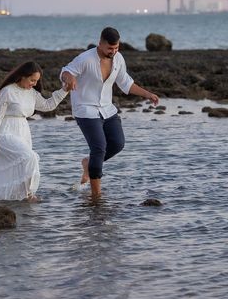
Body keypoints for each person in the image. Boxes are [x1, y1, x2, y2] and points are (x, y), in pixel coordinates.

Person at [61, 27, 159, 199]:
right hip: (86, 109)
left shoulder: (119, 59)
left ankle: (88, 164)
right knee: (99, 148)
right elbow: (66, 71)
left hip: (107, 109)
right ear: (100, 43)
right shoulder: (85, 58)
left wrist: (148, 94)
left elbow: (126, 84)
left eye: (116, 48)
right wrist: (69, 78)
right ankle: (96, 196)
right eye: (109, 49)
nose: (113, 52)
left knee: (118, 144)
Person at [0, 61, 70, 202]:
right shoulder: (8, 91)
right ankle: (29, 195)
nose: (34, 84)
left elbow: (48, 105)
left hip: (23, 132)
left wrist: (65, 90)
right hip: (5, 132)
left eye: (36, 81)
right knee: (31, 158)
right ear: (22, 76)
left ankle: (18, 198)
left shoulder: (32, 93)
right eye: (32, 80)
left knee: (23, 165)